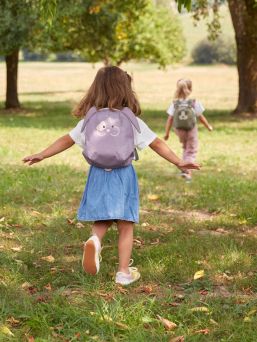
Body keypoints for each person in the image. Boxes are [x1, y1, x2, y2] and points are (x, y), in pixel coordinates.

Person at [23, 67, 200, 286]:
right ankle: (123, 272)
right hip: (123, 175)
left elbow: (66, 139)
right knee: (126, 224)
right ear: (125, 89)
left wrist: (42, 154)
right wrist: (179, 161)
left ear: (96, 89)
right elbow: (157, 144)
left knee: (102, 219)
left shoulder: (90, 119)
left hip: (97, 174)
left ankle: (95, 241)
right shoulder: (131, 119)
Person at [164, 79, 212, 182]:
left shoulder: (174, 103)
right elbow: (201, 117)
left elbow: (170, 119)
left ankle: (183, 167)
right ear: (190, 89)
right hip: (191, 129)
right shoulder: (194, 103)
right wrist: (208, 127)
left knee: (186, 147)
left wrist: (167, 133)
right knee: (191, 150)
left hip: (179, 130)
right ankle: (187, 172)